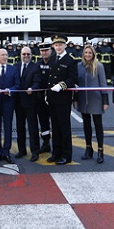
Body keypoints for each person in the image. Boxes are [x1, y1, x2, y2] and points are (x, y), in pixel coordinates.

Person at [44, 34, 78, 165]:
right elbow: (49, 79)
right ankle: (56, 153)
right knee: (55, 128)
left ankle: (66, 155)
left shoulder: (70, 60)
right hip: (52, 98)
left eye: (60, 44)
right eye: (56, 45)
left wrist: (62, 85)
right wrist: (47, 94)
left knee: (64, 128)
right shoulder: (52, 59)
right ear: (53, 46)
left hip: (63, 98)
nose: (58, 47)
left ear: (65, 45)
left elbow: (72, 79)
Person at [75, 45, 109, 163]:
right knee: (86, 125)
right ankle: (88, 148)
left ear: (93, 54)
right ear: (83, 54)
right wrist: (76, 99)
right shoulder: (79, 66)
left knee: (98, 125)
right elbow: (76, 83)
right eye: (86, 53)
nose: (88, 55)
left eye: (90, 53)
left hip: (96, 99)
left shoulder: (99, 66)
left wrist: (105, 100)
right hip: (83, 99)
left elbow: (103, 83)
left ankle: (100, 151)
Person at [0, 49, 20, 164]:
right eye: (2, 55)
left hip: (8, 103)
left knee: (8, 128)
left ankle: (6, 151)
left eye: (6, 55)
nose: (5, 57)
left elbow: (17, 85)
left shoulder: (13, 69)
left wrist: (10, 90)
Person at [14, 46, 41, 161]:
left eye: (28, 54)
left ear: (31, 55)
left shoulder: (36, 67)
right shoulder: (16, 66)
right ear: (20, 55)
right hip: (18, 102)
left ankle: (35, 151)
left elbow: (37, 82)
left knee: (33, 127)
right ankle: (22, 150)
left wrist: (32, 88)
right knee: (20, 127)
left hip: (30, 101)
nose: (26, 56)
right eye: (24, 54)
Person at [36, 41, 54, 153]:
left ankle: (57, 144)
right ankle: (46, 143)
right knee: (43, 123)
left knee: (56, 123)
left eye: (46, 50)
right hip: (41, 99)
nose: (44, 53)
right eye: (42, 51)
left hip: (54, 98)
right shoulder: (37, 64)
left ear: (51, 50)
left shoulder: (56, 63)